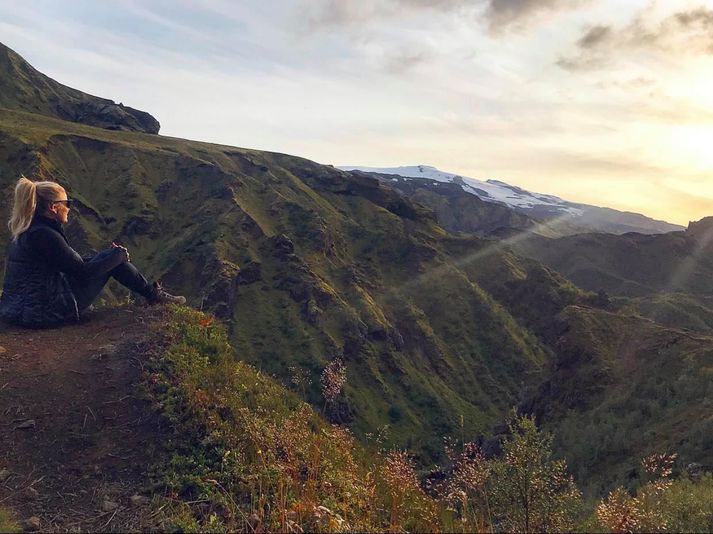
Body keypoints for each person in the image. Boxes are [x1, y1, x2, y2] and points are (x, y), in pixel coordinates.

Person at [0, 176, 185, 328]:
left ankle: (153, 295)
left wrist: (108, 257)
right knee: (113, 261)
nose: (69, 208)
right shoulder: (46, 235)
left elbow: (69, 264)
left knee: (108, 257)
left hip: (18, 310)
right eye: (67, 203)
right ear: (53, 207)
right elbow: (83, 273)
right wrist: (118, 257)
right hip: (45, 312)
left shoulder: (30, 230)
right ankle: (154, 297)